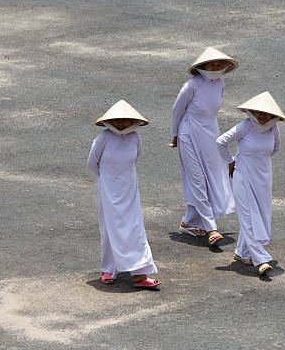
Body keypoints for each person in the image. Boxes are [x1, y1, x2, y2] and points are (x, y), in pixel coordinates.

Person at [87, 100, 160, 288]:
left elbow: (134, 159)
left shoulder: (135, 138)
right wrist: (107, 181)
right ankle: (108, 269)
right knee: (109, 228)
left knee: (135, 227)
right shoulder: (103, 138)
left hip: (129, 190)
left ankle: (139, 273)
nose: (121, 124)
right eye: (117, 120)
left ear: (133, 122)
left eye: (126, 121)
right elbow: (92, 163)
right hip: (108, 190)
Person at [169, 47, 237, 246]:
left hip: (210, 133)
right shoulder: (191, 85)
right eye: (210, 64)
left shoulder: (221, 84)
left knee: (210, 177)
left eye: (218, 65)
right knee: (197, 179)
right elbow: (176, 111)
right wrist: (174, 135)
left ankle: (189, 221)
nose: (215, 68)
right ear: (201, 67)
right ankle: (211, 227)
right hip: (189, 133)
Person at [216, 91, 285, 275]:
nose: (262, 117)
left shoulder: (274, 129)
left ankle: (241, 253)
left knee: (261, 215)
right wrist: (230, 161)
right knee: (248, 218)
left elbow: (275, 148)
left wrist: (259, 161)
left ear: (273, 115)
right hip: (242, 176)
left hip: (263, 178)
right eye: (258, 112)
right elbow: (221, 142)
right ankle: (260, 259)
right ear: (251, 112)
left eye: (267, 114)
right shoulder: (245, 126)